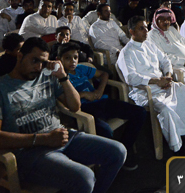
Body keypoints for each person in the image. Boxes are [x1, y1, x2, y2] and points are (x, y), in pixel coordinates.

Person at [0, 37, 126, 193]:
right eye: (34, 60)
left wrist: (62, 76)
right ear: (20, 56)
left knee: (117, 152)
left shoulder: (47, 77)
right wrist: (43, 139)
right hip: (30, 152)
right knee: (84, 177)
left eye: (43, 62)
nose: (38, 67)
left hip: (62, 136)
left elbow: (75, 106)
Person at [117, 16, 185, 154]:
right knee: (166, 110)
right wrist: (157, 81)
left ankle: (178, 131)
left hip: (163, 84)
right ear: (132, 32)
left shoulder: (149, 45)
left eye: (146, 27)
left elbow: (165, 60)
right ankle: (176, 147)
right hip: (146, 91)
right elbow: (131, 78)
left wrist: (168, 76)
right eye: (141, 28)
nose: (146, 31)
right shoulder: (126, 52)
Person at [56, 42, 146, 170]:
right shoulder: (60, 78)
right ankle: (113, 158)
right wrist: (84, 95)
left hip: (100, 102)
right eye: (67, 58)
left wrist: (99, 91)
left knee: (140, 112)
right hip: (84, 109)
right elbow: (65, 101)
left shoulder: (81, 68)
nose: (73, 61)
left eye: (75, 57)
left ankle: (125, 150)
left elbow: (104, 74)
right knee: (105, 130)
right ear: (59, 59)